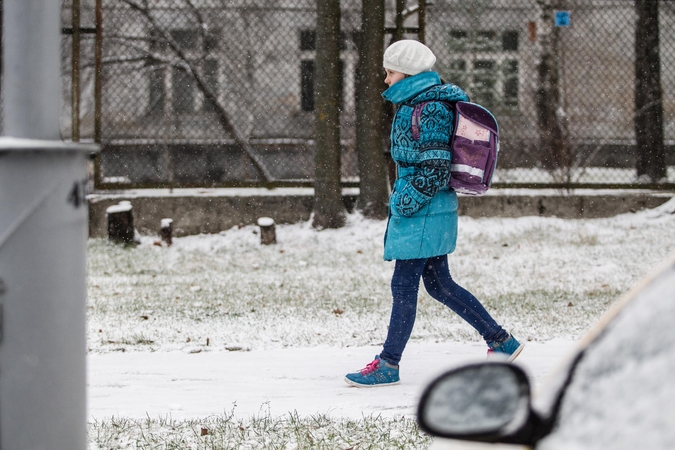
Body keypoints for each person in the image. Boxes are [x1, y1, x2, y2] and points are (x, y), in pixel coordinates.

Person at [345, 40, 523, 388]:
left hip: (424, 209)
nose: (386, 79)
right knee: (440, 284)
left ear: (408, 74)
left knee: (404, 285)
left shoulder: (430, 109)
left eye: (390, 72)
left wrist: (405, 201)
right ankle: (501, 341)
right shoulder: (419, 104)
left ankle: (389, 364)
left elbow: (436, 167)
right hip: (429, 208)